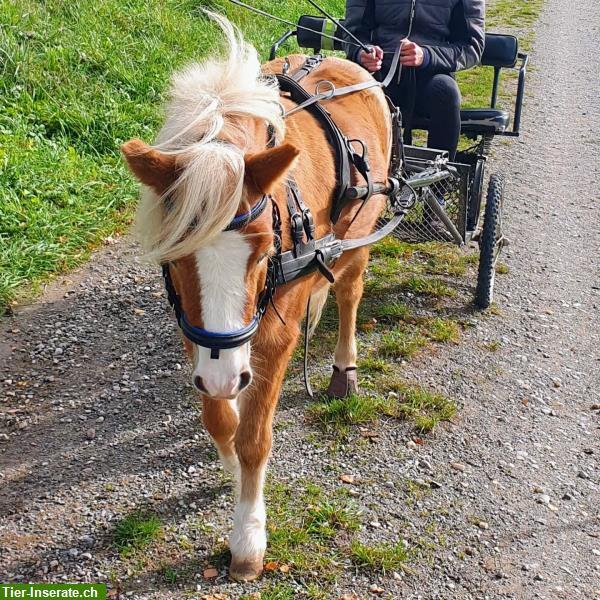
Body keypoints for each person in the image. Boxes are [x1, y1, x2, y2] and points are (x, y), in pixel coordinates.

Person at [343, 0, 485, 161]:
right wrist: (361, 52)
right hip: (380, 73)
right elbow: (353, 33)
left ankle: (439, 180)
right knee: (342, 90)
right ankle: (353, 168)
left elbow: (471, 47)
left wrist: (427, 55)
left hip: (431, 75)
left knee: (447, 91)